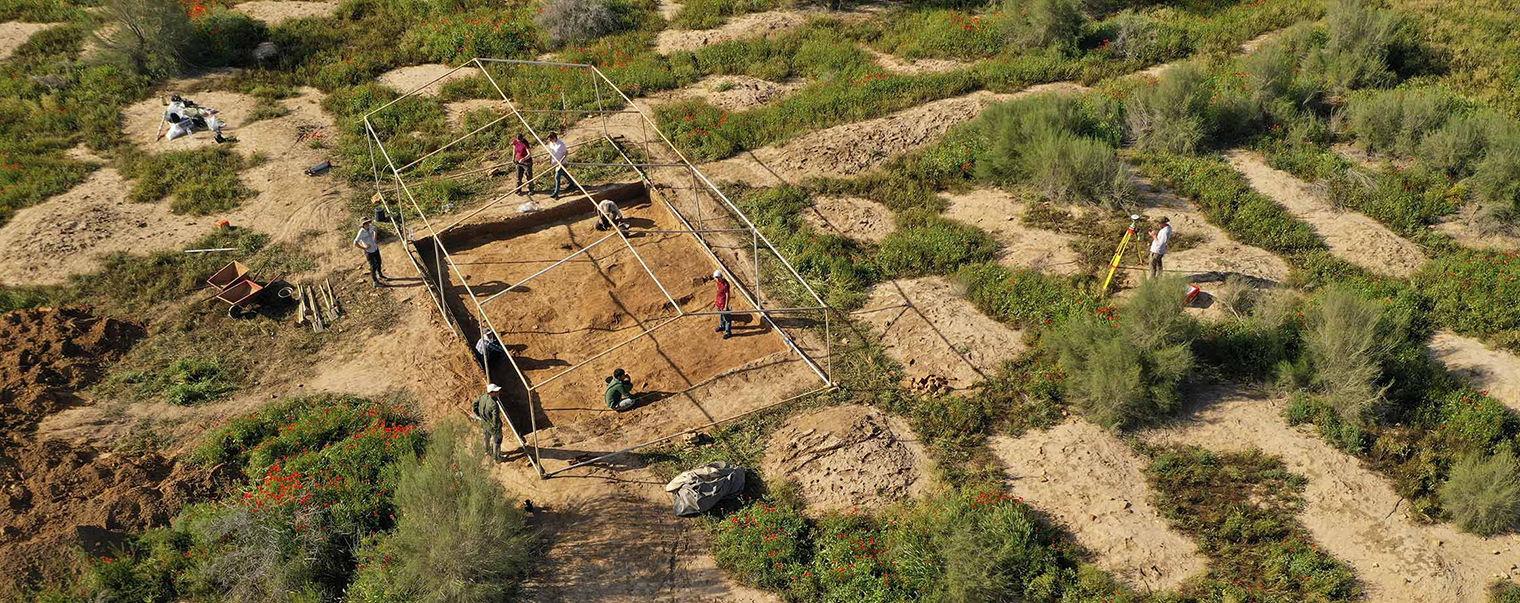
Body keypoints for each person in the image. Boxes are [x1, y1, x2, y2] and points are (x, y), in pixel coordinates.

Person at [473, 384, 505, 462]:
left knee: (486, 437)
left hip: (484, 422)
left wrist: (478, 414)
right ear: (491, 393)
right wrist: (495, 427)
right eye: (496, 391)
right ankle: (497, 458)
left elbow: (474, 404)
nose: (498, 392)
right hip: (492, 425)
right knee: (497, 440)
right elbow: (495, 418)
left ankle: (487, 451)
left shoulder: (483, 396)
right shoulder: (494, 404)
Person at [353, 217, 387, 287]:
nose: (367, 224)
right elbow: (355, 243)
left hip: (375, 248)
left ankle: (380, 275)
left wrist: (375, 236)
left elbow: (375, 229)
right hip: (369, 252)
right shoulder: (361, 232)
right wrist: (364, 247)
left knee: (379, 262)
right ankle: (375, 282)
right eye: (366, 223)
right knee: (373, 266)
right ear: (363, 225)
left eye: (368, 222)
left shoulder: (371, 227)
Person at [548, 132, 571, 199]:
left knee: (557, 177)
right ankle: (572, 183)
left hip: (562, 163)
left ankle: (556, 193)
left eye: (551, 139)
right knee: (564, 174)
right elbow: (551, 153)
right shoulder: (551, 144)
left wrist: (560, 161)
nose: (550, 141)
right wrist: (550, 161)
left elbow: (566, 153)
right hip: (555, 163)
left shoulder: (561, 144)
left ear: (554, 138)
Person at [712, 270, 732, 339]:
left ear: (721, 277)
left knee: (727, 319)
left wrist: (726, 306)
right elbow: (718, 293)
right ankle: (722, 326)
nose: (717, 279)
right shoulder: (718, 282)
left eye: (718, 277)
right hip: (719, 304)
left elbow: (727, 295)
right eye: (715, 278)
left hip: (723, 304)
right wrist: (716, 302)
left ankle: (728, 332)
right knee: (721, 315)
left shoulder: (725, 285)